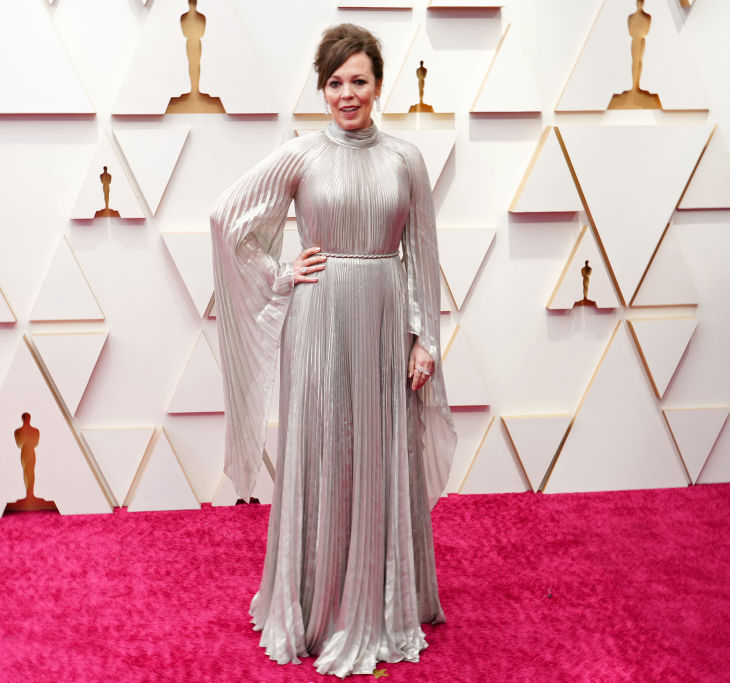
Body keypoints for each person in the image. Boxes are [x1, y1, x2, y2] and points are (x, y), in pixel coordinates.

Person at [210, 23, 456, 677]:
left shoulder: (406, 159)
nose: (348, 93)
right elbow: (227, 217)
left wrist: (425, 337)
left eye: (360, 81)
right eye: (336, 82)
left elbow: (422, 254)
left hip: (382, 319)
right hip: (317, 324)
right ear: (322, 88)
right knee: (325, 448)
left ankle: (381, 602)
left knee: (379, 452)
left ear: (379, 85)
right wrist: (282, 274)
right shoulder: (302, 155)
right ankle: (316, 604)